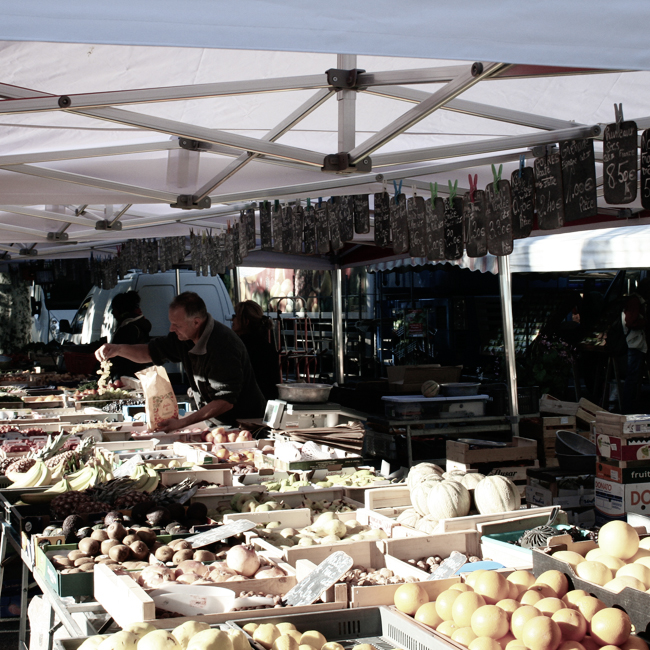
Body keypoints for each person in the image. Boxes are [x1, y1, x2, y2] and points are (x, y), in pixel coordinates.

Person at [95, 292, 266, 431]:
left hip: (245, 425)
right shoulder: (183, 337)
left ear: (196, 322)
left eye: (176, 325)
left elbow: (225, 401)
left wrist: (182, 423)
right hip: (219, 425)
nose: (171, 328)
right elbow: (150, 352)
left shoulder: (223, 345)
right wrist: (117, 349)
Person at [232, 301, 280, 401]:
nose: (232, 319)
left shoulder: (239, 347)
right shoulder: (267, 346)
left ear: (245, 321)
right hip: (267, 404)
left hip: (247, 406)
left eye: (235, 316)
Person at [108, 291, 152, 381]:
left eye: (114, 309)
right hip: (137, 373)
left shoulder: (128, 327)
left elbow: (123, 359)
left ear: (120, 309)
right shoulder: (136, 323)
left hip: (129, 376)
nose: (112, 312)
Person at [622, 279, 650, 414]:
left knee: (634, 375)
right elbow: (630, 322)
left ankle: (630, 404)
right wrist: (644, 322)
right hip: (635, 343)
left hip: (637, 343)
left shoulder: (637, 300)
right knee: (632, 376)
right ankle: (627, 407)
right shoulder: (635, 301)